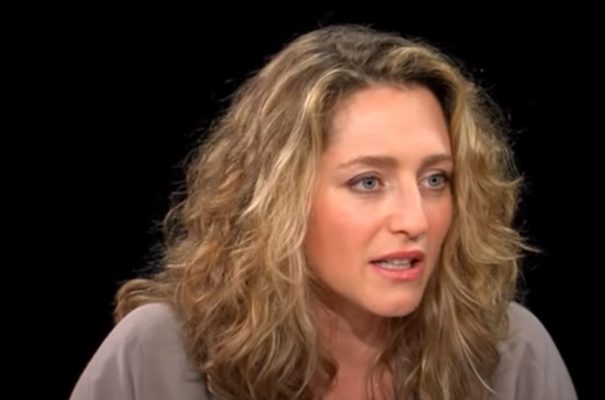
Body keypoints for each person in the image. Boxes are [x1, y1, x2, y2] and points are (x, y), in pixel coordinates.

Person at [70, 24, 577, 400]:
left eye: (434, 179)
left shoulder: (511, 354)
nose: (416, 220)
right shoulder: (155, 357)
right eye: (368, 182)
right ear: (280, 199)